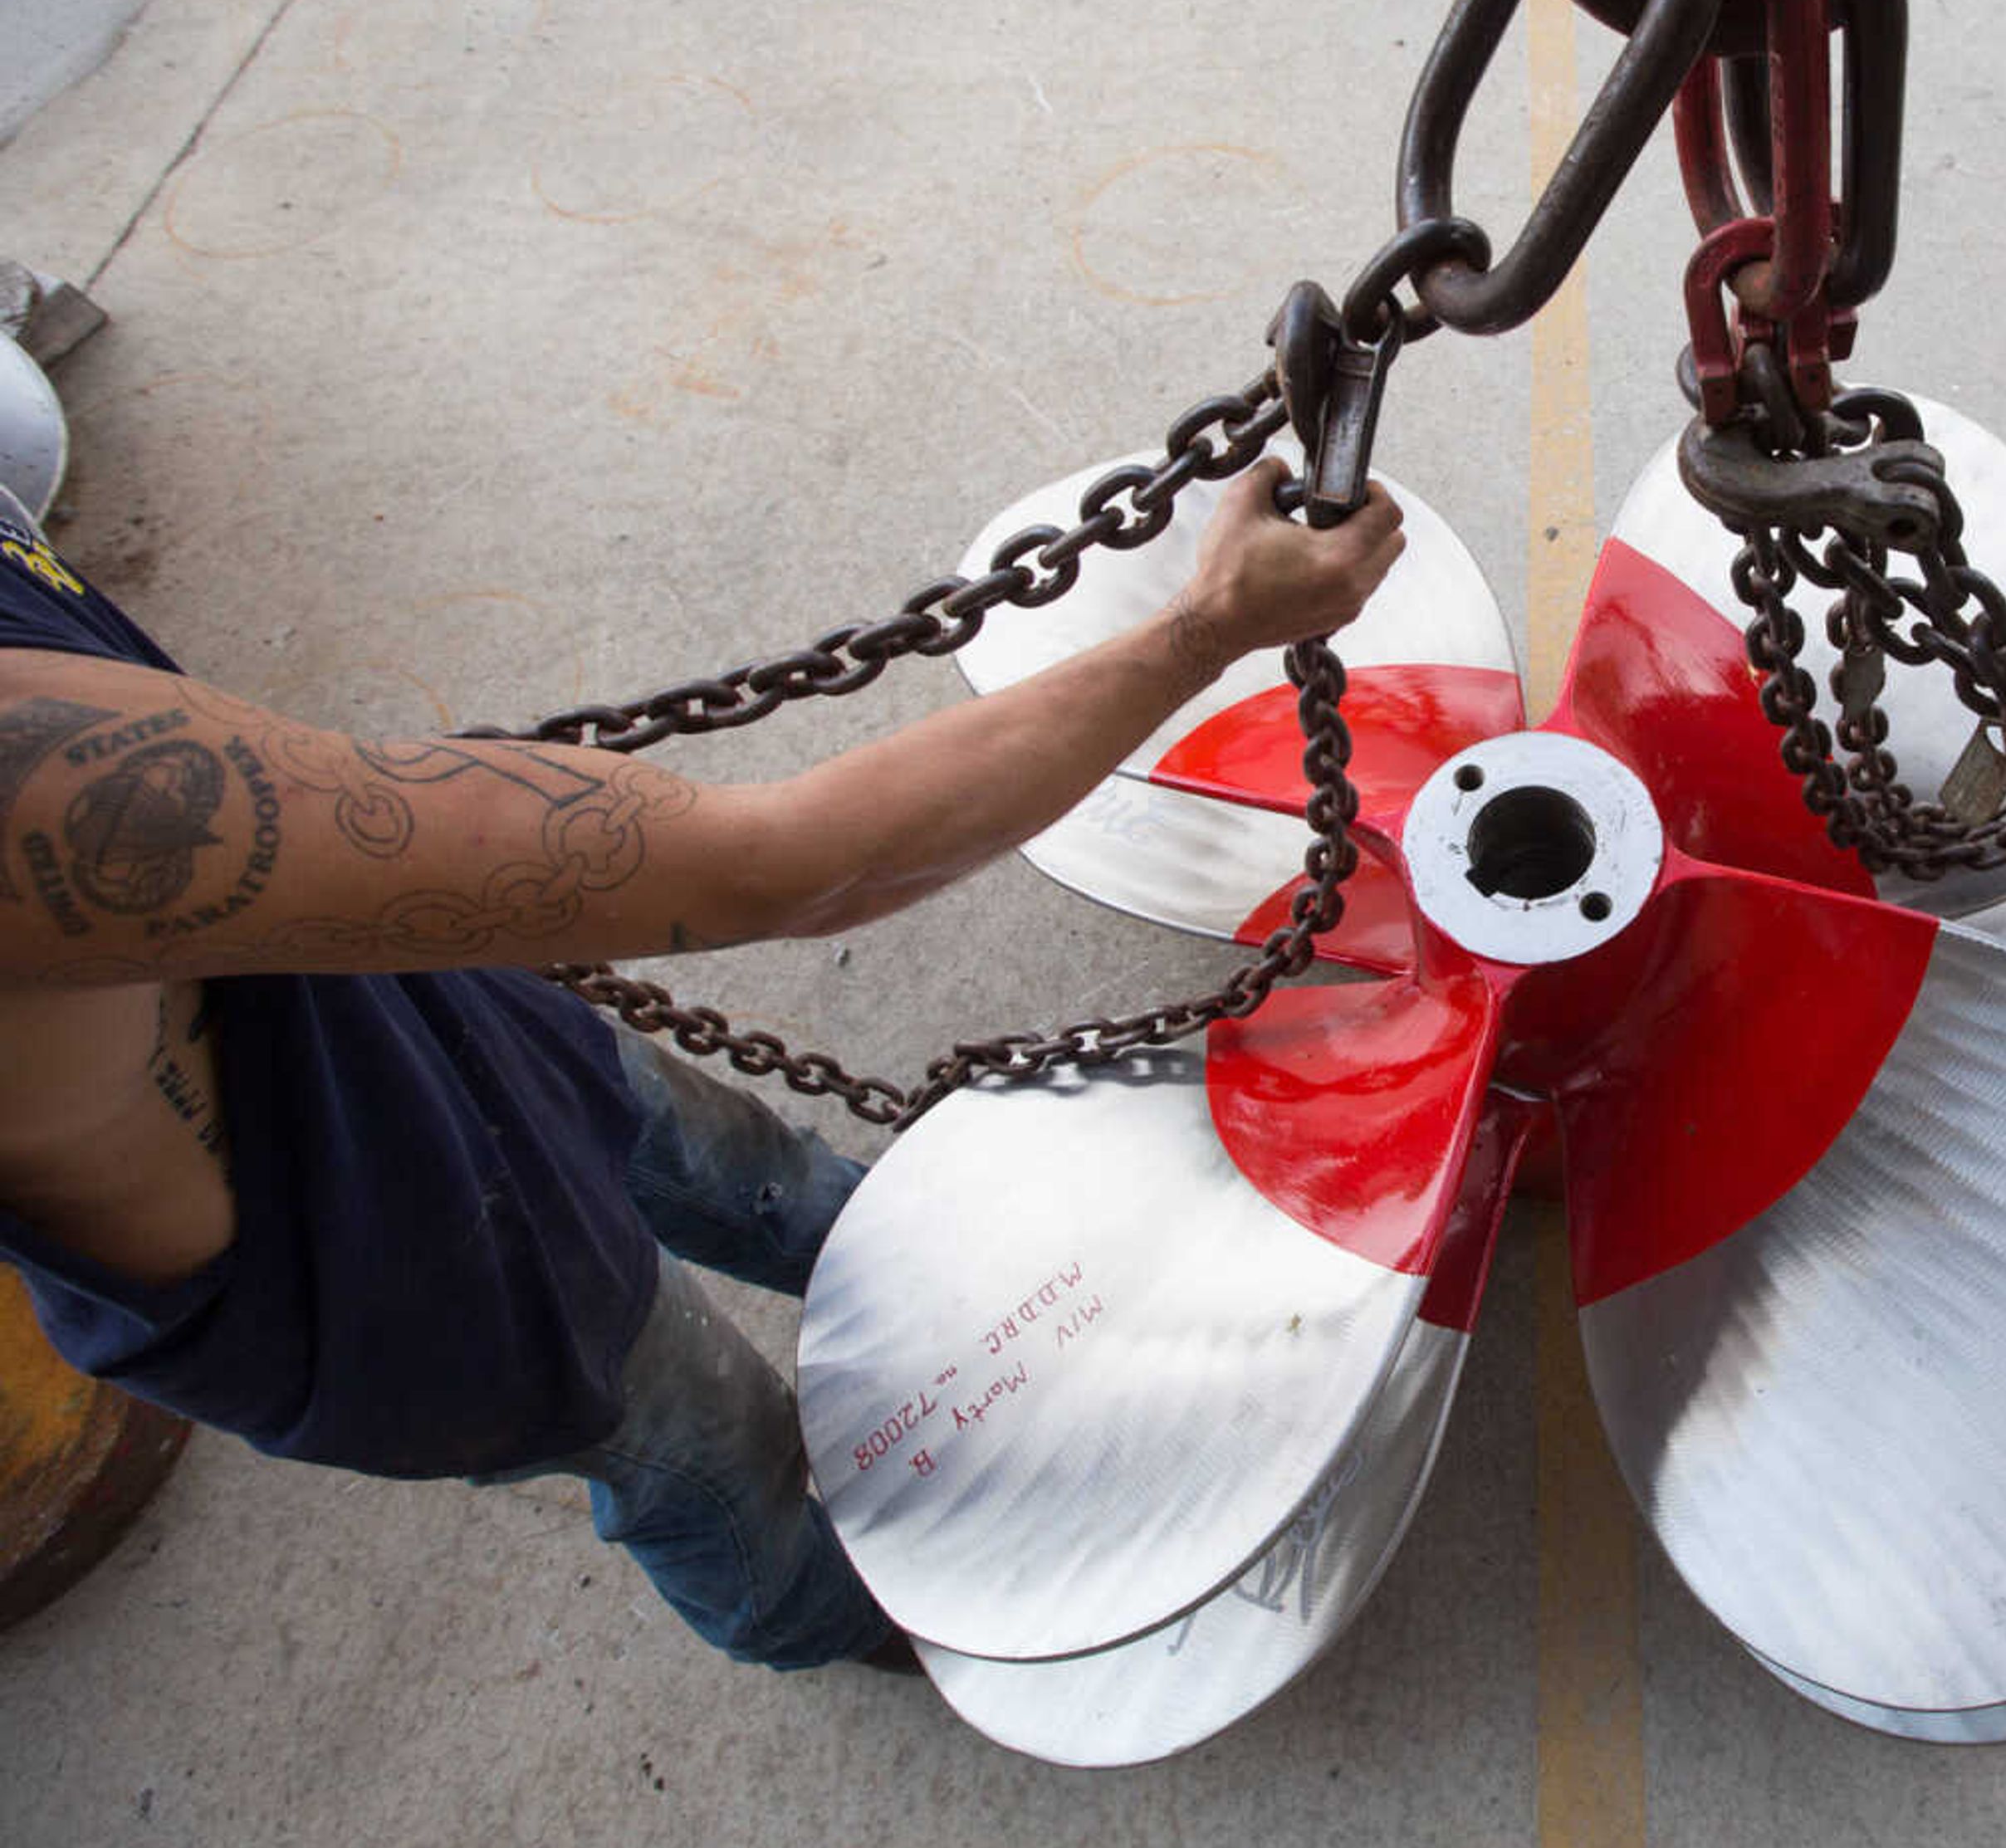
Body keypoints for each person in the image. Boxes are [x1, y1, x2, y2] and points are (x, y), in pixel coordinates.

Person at [0, 456, 1406, 1669]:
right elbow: (782, 864)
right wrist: (1210, 625)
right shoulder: (32, 793)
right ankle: (820, 1614)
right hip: (401, 1271)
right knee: (701, 1443)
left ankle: (921, 1290)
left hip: (436, 1025)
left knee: (745, 1169)